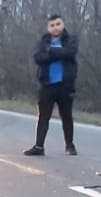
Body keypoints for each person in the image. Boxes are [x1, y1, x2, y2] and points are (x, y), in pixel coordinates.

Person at [24, 14, 78, 157]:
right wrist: (58, 54)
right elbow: (38, 58)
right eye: (52, 25)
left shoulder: (71, 40)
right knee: (43, 116)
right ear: (48, 28)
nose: (55, 28)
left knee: (66, 116)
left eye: (58, 24)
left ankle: (70, 146)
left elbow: (70, 53)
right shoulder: (43, 41)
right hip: (47, 84)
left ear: (63, 25)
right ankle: (39, 146)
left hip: (65, 85)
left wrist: (51, 52)